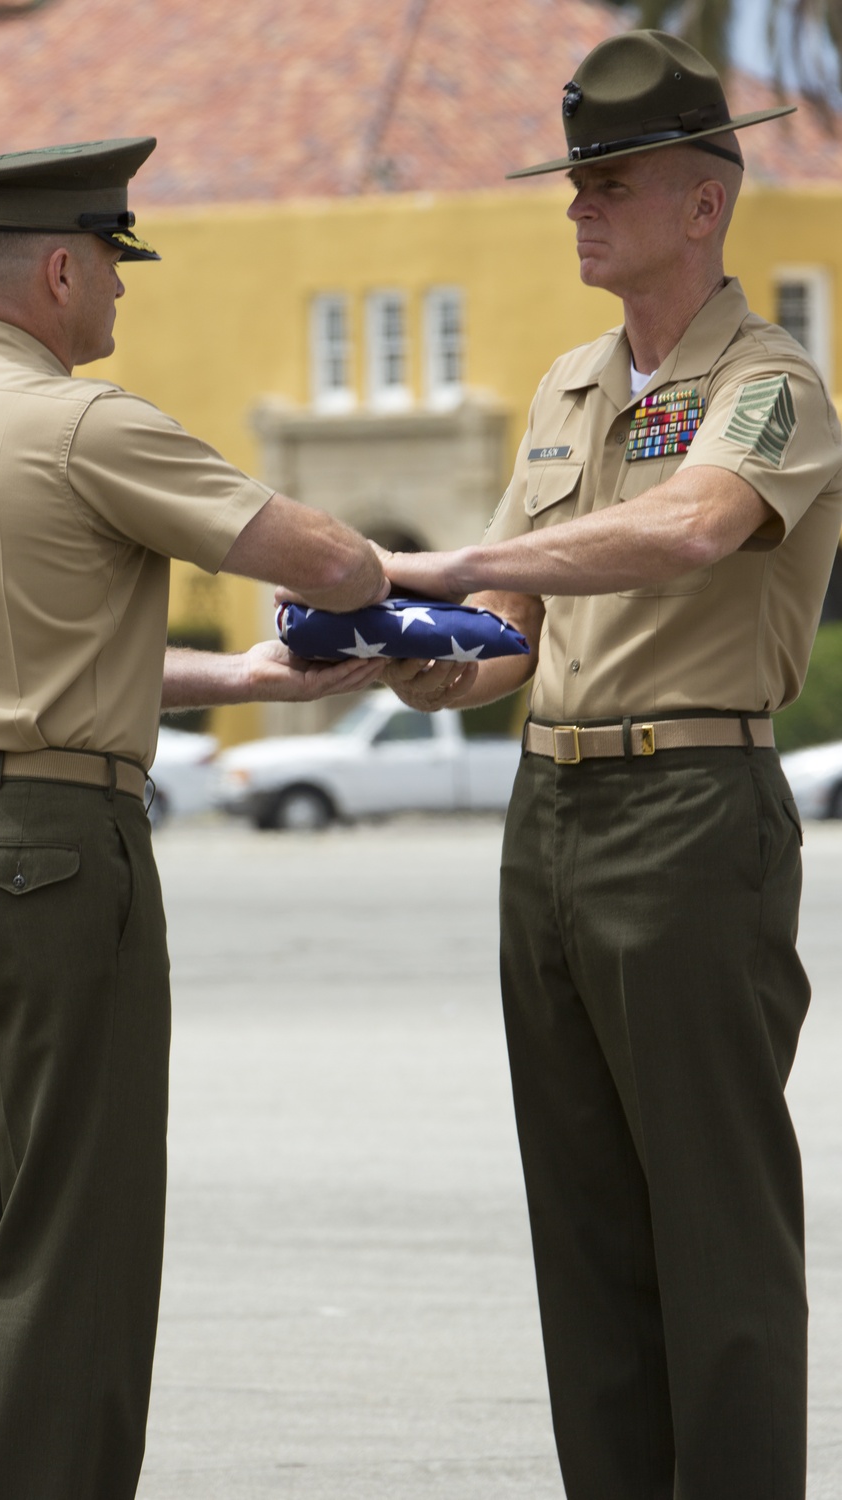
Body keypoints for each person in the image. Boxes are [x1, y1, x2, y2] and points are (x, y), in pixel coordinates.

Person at [0, 136, 387, 1500]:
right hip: (46, 855)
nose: (125, 299)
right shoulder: (86, 423)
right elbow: (329, 556)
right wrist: (385, 582)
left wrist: (243, 677)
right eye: (117, 268)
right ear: (64, 267)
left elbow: (25, 653)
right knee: (71, 1228)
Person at [379, 31, 842, 1500]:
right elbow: (514, 630)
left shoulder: (772, 384)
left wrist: (453, 552)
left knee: (715, 1224)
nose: (579, 204)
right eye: (574, 178)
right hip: (553, 810)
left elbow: (693, 530)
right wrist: (432, 650)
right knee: (583, 1231)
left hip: (687, 813)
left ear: (704, 204)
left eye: (611, 180)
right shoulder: (569, 389)